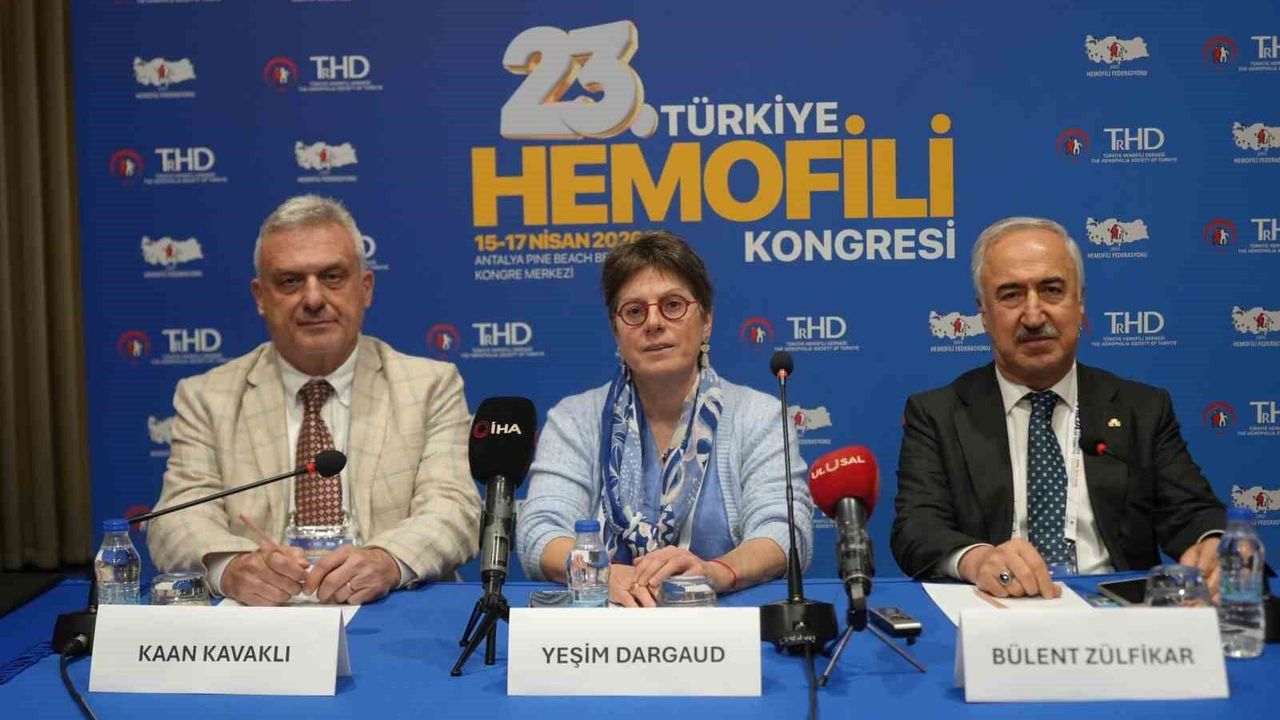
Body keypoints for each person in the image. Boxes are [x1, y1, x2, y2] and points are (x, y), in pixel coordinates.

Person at [148, 195, 480, 606]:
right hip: (260, 618)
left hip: (389, 609)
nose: (313, 299)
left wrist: (386, 560)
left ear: (365, 288)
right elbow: (176, 518)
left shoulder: (429, 386)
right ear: (260, 296)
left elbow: (453, 509)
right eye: (289, 281)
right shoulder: (206, 397)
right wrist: (232, 568)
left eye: (332, 277)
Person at [891, 217, 1225, 599]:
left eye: (1052, 290)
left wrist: (1212, 543)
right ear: (983, 313)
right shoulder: (937, 414)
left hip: (1115, 612)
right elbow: (916, 528)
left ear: (1080, 302)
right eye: (1011, 295)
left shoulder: (1141, 409)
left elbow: (1193, 511)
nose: (1034, 316)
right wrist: (977, 559)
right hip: (996, 606)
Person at [515, 231, 812, 606]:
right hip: (604, 627)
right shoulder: (575, 419)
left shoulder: (759, 415)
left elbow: (785, 530)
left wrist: (715, 573)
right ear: (616, 330)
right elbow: (540, 531)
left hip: (721, 623)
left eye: (673, 305)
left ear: (706, 320)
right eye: (634, 311)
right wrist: (601, 574)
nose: (653, 323)